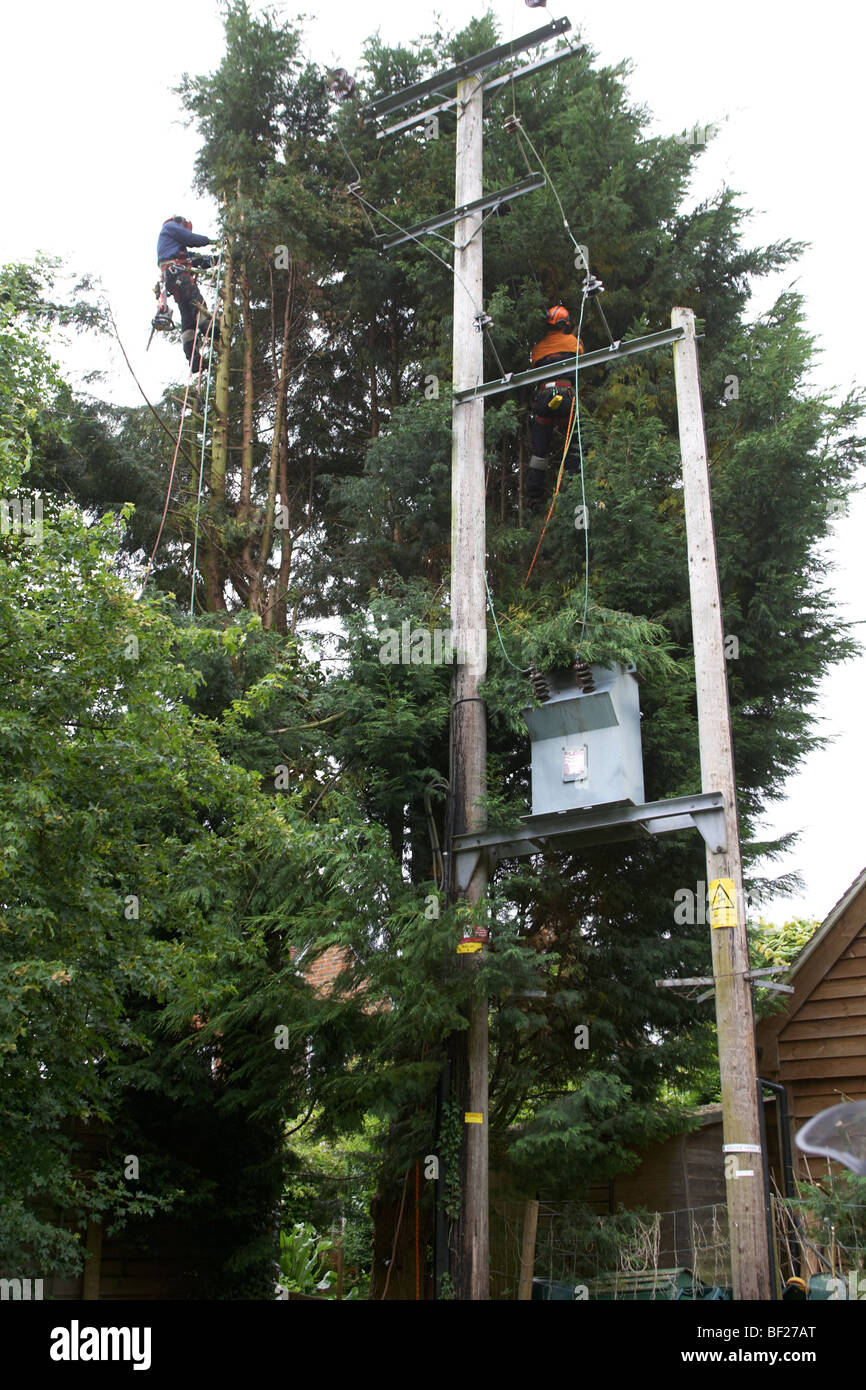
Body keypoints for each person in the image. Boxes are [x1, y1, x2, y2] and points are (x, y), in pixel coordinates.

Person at [526, 303, 584, 510]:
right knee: (574, 445)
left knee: (539, 454)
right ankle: (574, 489)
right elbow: (580, 358)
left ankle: (534, 498)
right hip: (566, 396)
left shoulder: (537, 348)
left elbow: (535, 367)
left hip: (544, 400)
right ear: (564, 324)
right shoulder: (573, 342)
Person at [156, 216, 216, 373]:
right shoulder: (170, 227)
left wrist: (216, 260)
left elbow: (197, 261)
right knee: (197, 302)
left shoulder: (173, 247)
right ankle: (209, 328)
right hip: (177, 274)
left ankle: (193, 358)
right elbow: (191, 239)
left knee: (187, 315)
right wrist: (210, 241)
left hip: (173, 278)